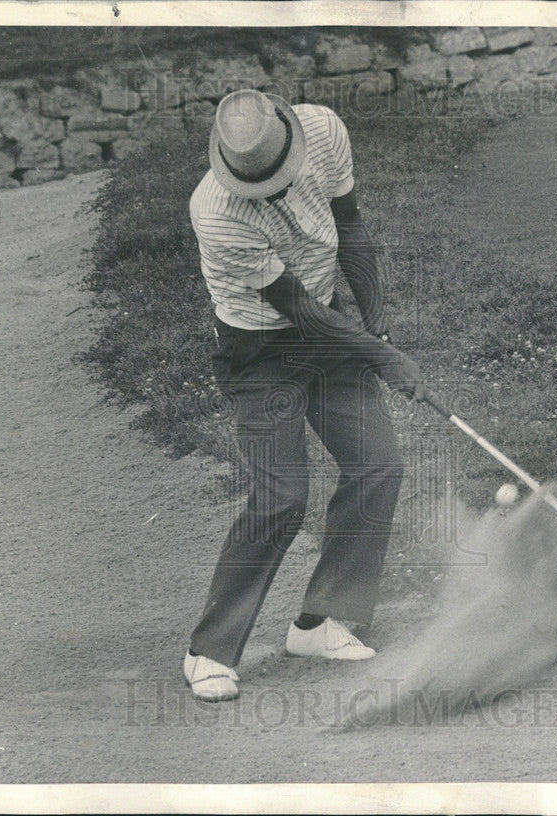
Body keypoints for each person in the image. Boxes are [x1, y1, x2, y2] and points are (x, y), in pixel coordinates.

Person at [183, 89, 426, 701]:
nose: (272, 194)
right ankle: (208, 651)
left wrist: (375, 320)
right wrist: (381, 356)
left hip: (330, 320)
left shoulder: (324, 130)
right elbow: (296, 310)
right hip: (259, 350)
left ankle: (320, 622)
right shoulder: (215, 212)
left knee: (379, 464)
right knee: (283, 494)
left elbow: (351, 227)